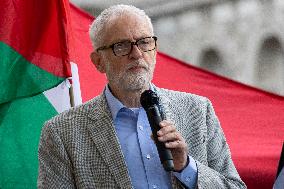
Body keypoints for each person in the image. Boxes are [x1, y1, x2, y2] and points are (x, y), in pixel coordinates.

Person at [38, 4, 246, 189]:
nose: (136, 54)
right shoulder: (62, 133)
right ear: (98, 61)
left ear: (154, 51)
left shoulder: (198, 111)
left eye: (144, 42)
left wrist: (186, 167)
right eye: (121, 46)